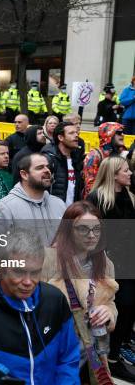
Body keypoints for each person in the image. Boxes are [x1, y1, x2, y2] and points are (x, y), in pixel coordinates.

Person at [0, 231, 80, 384]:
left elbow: (68, 358)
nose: (28, 281)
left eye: (35, 273)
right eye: (19, 272)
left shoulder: (55, 300)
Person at [41, 201, 120, 383]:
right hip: (53, 356)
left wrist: (109, 313)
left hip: (90, 355)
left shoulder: (105, 264)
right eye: (83, 229)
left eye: (96, 229)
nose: (91, 235)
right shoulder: (48, 260)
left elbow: (110, 301)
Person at [87, 156, 135, 381]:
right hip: (108, 265)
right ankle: (109, 359)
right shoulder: (97, 198)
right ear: (114, 174)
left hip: (129, 261)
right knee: (118, 308)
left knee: (129, 310)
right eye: (126, 170)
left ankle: (117, 354)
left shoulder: (128, 196)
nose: (130, 174)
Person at [0, 153, 66, 249]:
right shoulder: (5, 208)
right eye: (40, 168)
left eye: (48, 167)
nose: (47, 170)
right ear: (24, 175)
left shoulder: (59, 204)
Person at [41, 121, 83, 205]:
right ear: (60, 137)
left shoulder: (77, 159)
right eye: (71, 133)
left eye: (76, 132)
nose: (76, 135)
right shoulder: (49, 158)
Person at [83, 122, 126, 198]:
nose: (123, 135)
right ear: (109, 135)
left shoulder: (122, 154)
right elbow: (90, 187)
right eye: (119, 133)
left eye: (123, 132)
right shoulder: (94, 156)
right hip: (99, 202)